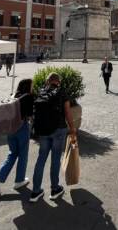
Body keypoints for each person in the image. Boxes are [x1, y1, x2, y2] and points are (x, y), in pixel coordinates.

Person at [30, 73, 77, 203]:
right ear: (58, 82)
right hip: (58, 129)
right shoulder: (62, 92)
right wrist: (72, 128)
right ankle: (55, 189)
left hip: (43, 130)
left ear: (47, 81)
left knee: (41, 159)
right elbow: (67, 112)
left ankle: (35, 191)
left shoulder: (41, 91)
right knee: (55, 159)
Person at [0, 79, 34, 195]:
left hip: (10, 128)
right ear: (28, 86)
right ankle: (19, 181)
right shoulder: (28, 96)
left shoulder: (13, 95)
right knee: (23, 155)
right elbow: (29, 114)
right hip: (21, 127)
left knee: (12, 153)